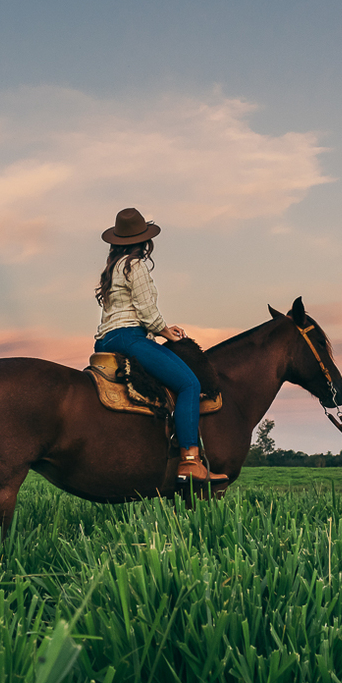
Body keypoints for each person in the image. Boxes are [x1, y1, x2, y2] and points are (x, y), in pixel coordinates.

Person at [94, 207, 228, 485]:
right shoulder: (136, 266)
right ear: (144, 240)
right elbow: (146, 311)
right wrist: (168, 332)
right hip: (131, 337)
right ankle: (190, 460)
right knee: (189, 384)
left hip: (106, 339)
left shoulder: (112, 268)